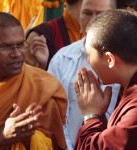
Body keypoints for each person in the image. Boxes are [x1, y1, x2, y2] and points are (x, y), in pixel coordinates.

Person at [0, 12, 67, 150]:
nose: (17, 54)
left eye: (20, 45)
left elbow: (56, 143)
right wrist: (1, 136)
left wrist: (28, 135)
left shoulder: (41, 86)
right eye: (5, 47)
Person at [48, 0, 120, 149]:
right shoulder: (63, 58)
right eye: (87, 13)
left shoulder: (127, 59)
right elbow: (53, 114)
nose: (93, 20)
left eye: (101, 15)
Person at [74, 9, 137, 149]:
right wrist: (99, 118)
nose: (88, 61)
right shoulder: (128, 88)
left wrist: (90, 114)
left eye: (89, 55)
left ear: (109, 59)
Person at [25, 0, 83, 69]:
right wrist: (41, 66)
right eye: (88, 13)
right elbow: (27, 76)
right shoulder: (41, 35)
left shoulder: (94, 32)